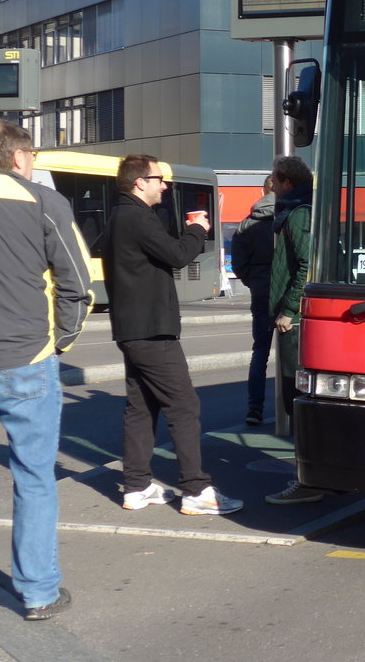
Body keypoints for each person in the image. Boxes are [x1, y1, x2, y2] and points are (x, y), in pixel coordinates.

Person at [0, 120, 93, 621]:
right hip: (25, 357)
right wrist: (61, 340)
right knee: (34, 478)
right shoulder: (44, 203)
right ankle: (38, 592)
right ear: (21, 157)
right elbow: (78, 281)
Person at [105, 154, 242, 516]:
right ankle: (196, 490)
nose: (164, 185)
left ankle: (136, 486)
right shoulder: (137, 217)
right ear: (139, 182)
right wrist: (198, 229)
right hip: (152, 330)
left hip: (132, 328)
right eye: (158, 178)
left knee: (140, 406)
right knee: (183, 405)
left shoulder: (119, 216)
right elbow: (178, 254)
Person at [265, 155, 325, 505]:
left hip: (295, 321)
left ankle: (306, 479)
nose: (270, 184)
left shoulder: (298, 213)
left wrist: (288, 309)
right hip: (293, 317)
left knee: (294, 397)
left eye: (274, 179)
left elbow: (306, 265)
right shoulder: (299, 210)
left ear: (286, 182)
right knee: (295, 398)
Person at [230, 176, 275, 426]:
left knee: (260, 352)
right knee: (296, 354)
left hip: (261, 292)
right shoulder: (292, 219)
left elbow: (238, 264)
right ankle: (293, 406)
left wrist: (253, 282)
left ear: (263, 191)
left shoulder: (246, 225)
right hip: (289, 293)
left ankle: (254, 409)